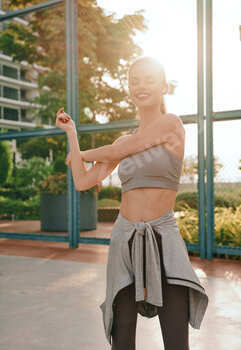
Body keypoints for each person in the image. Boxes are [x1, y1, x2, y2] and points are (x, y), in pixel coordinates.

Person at [56, 56, 209, 350]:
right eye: (134, 80)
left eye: (149, 80)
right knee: (122, 335)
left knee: (176, 337)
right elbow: (82, 181)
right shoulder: (122, 142)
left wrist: (86, 153)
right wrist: (72, 135)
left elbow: (130, 147)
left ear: (164, 86)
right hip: (124, 238)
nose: (140, 86)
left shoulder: (171, 124)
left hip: (163, 237)